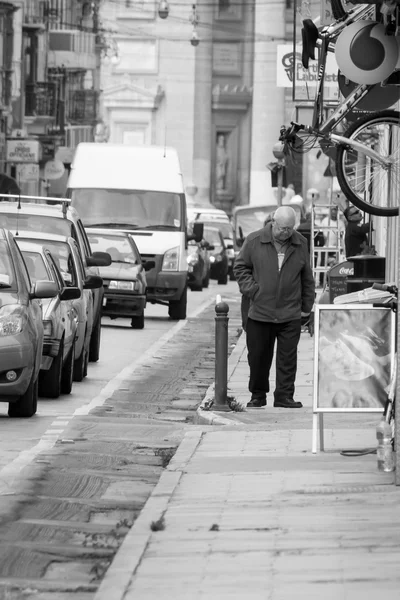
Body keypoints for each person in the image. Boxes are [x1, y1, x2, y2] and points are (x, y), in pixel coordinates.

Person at [234, 205, 315, 409]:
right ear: (273, 223)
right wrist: (253, 290)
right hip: (260, 312)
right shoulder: (254, 240)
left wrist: (307, 305)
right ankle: (258, 395)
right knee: (259, 357)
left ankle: (284, 396)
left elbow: (307, 276)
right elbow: (240, 267)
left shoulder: (300, 243)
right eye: (282, 228)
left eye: (290, 228)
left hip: (290, 312)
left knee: (288, 359)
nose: (286, 232)